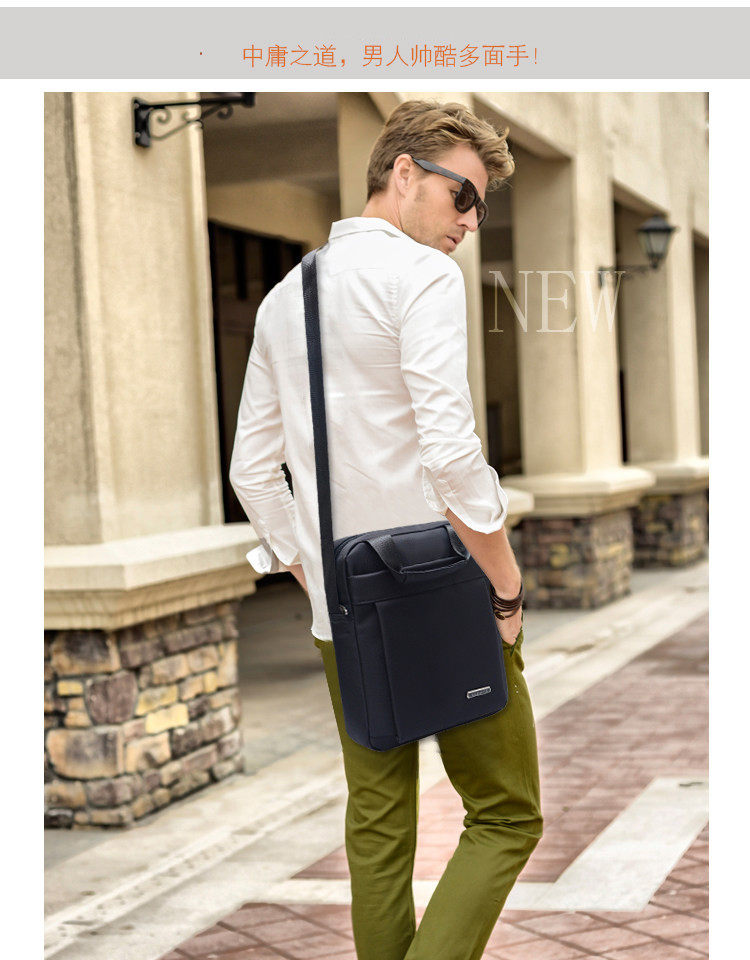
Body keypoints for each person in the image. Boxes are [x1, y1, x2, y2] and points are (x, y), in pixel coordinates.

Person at [229, 99, 543, 960]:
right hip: (446, 595)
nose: (470, 221)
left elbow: (251, 471)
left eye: (481, 206)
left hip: (344, 608)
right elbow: (450, 452)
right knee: (507, 815)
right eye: (461, 196)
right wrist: (506, 585)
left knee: (377, 822)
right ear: (403, 173)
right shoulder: (423, 278)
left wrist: (312, 573)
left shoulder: (286, 298)